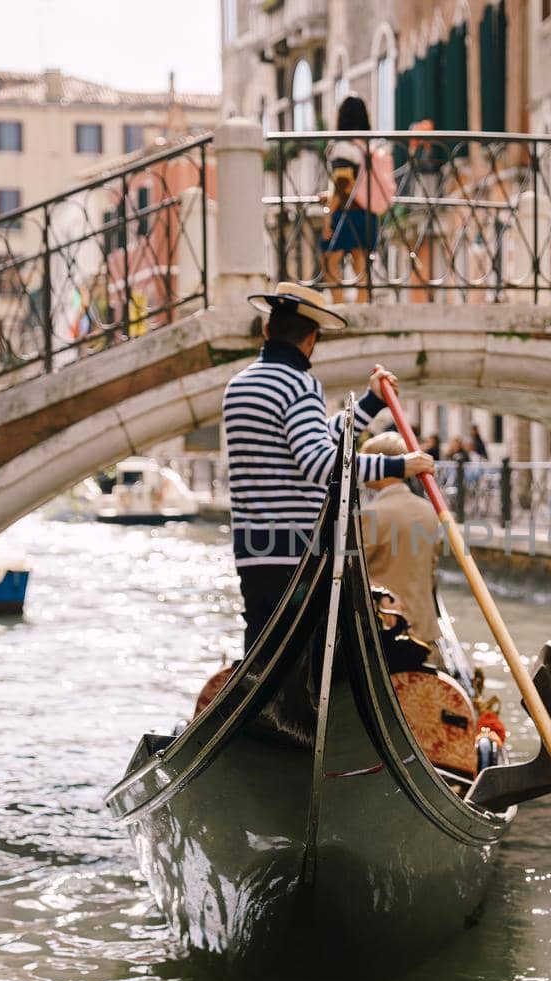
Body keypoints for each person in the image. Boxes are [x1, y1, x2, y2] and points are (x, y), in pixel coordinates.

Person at [223, 282, 434, 650]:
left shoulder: (239, 386)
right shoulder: (299, 385)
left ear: (267, 330)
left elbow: (315, 439)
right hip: (299, 552)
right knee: (312, 658)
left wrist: (370, 402)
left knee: (261, 649)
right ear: (311, 340)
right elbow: (322, 464)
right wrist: (400, 467)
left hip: (253, 549)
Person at [359, 431, 443, 647]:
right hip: (425, 625)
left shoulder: (370, 515)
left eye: (368, 462)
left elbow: (354, 572)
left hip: (388, 628)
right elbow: (432, 569)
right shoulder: (429, 511)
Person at [322, 97, 397, 303]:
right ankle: (361, 305)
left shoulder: (343, 147)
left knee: (329, 260)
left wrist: (329, 215)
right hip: (368, 211)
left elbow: (343, 184)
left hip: (346, 212)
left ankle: (339, 306)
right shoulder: (368, 145)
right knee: (361, 262)